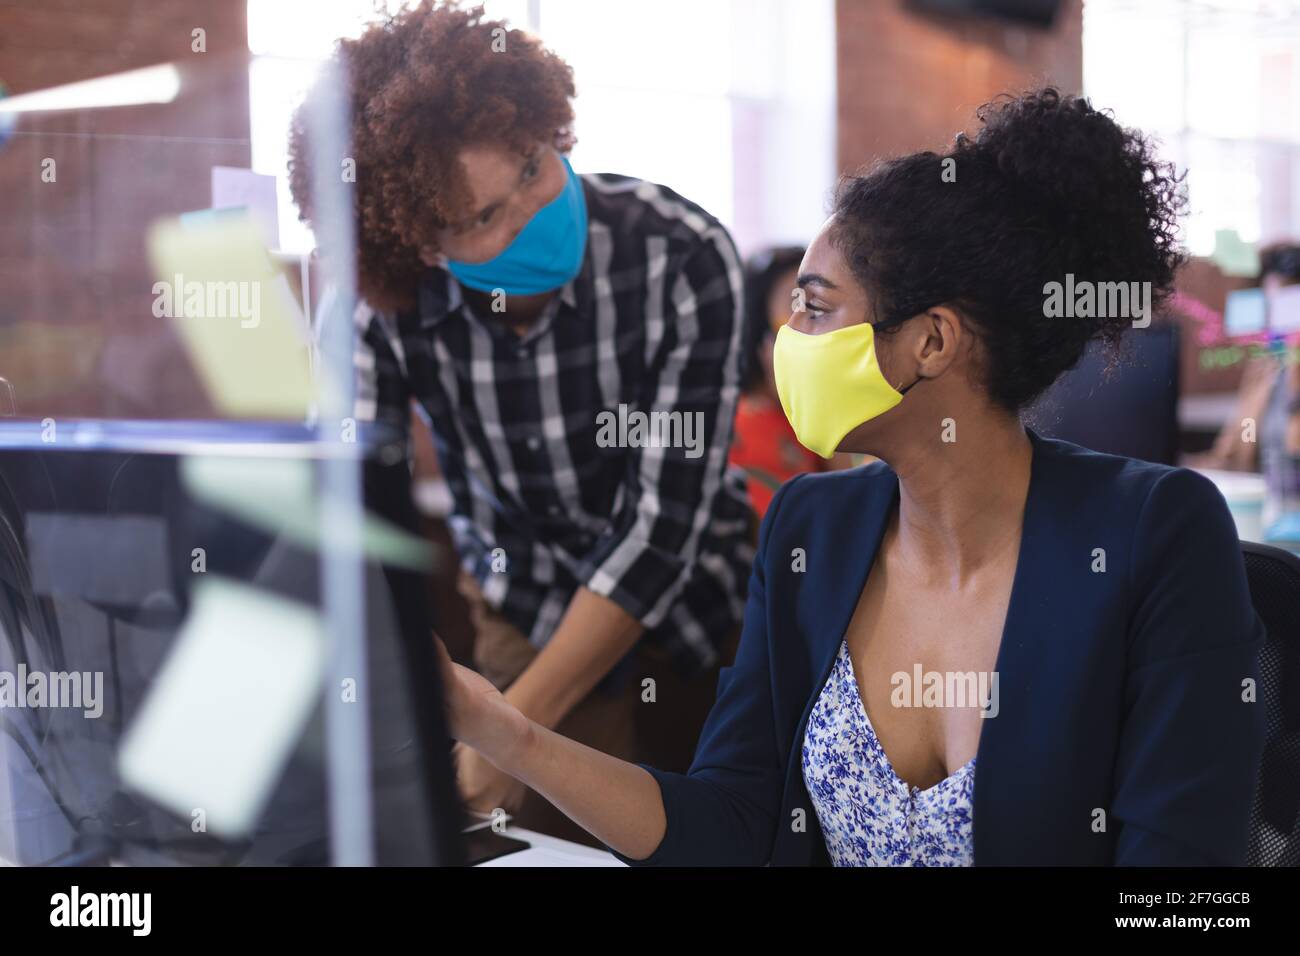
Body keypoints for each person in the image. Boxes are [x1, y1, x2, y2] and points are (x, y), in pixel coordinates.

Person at [436, 89, 1266, 865]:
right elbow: (732, 825)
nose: (785, 339)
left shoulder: (1154, 531)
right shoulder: (812, 528)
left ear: (931, 344)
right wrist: (500, 728)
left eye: (817, 307)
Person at [287, 1, 753, 841]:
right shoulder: (374, 308)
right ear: (418, 245)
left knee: (709, 833)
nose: (533, 213)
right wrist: (455, 715)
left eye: (534, 168)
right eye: (483, 219)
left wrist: (506, 733)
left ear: (548, 126)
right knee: (539, 842)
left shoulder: (682, 255)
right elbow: (348, 516)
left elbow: (659, 528)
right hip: (518, 611)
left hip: (700, 610)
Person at [729, 246, 829, 517]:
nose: (812, 322)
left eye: (821, 305)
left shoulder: (810, 420)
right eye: (796, 303)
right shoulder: (748, 426)